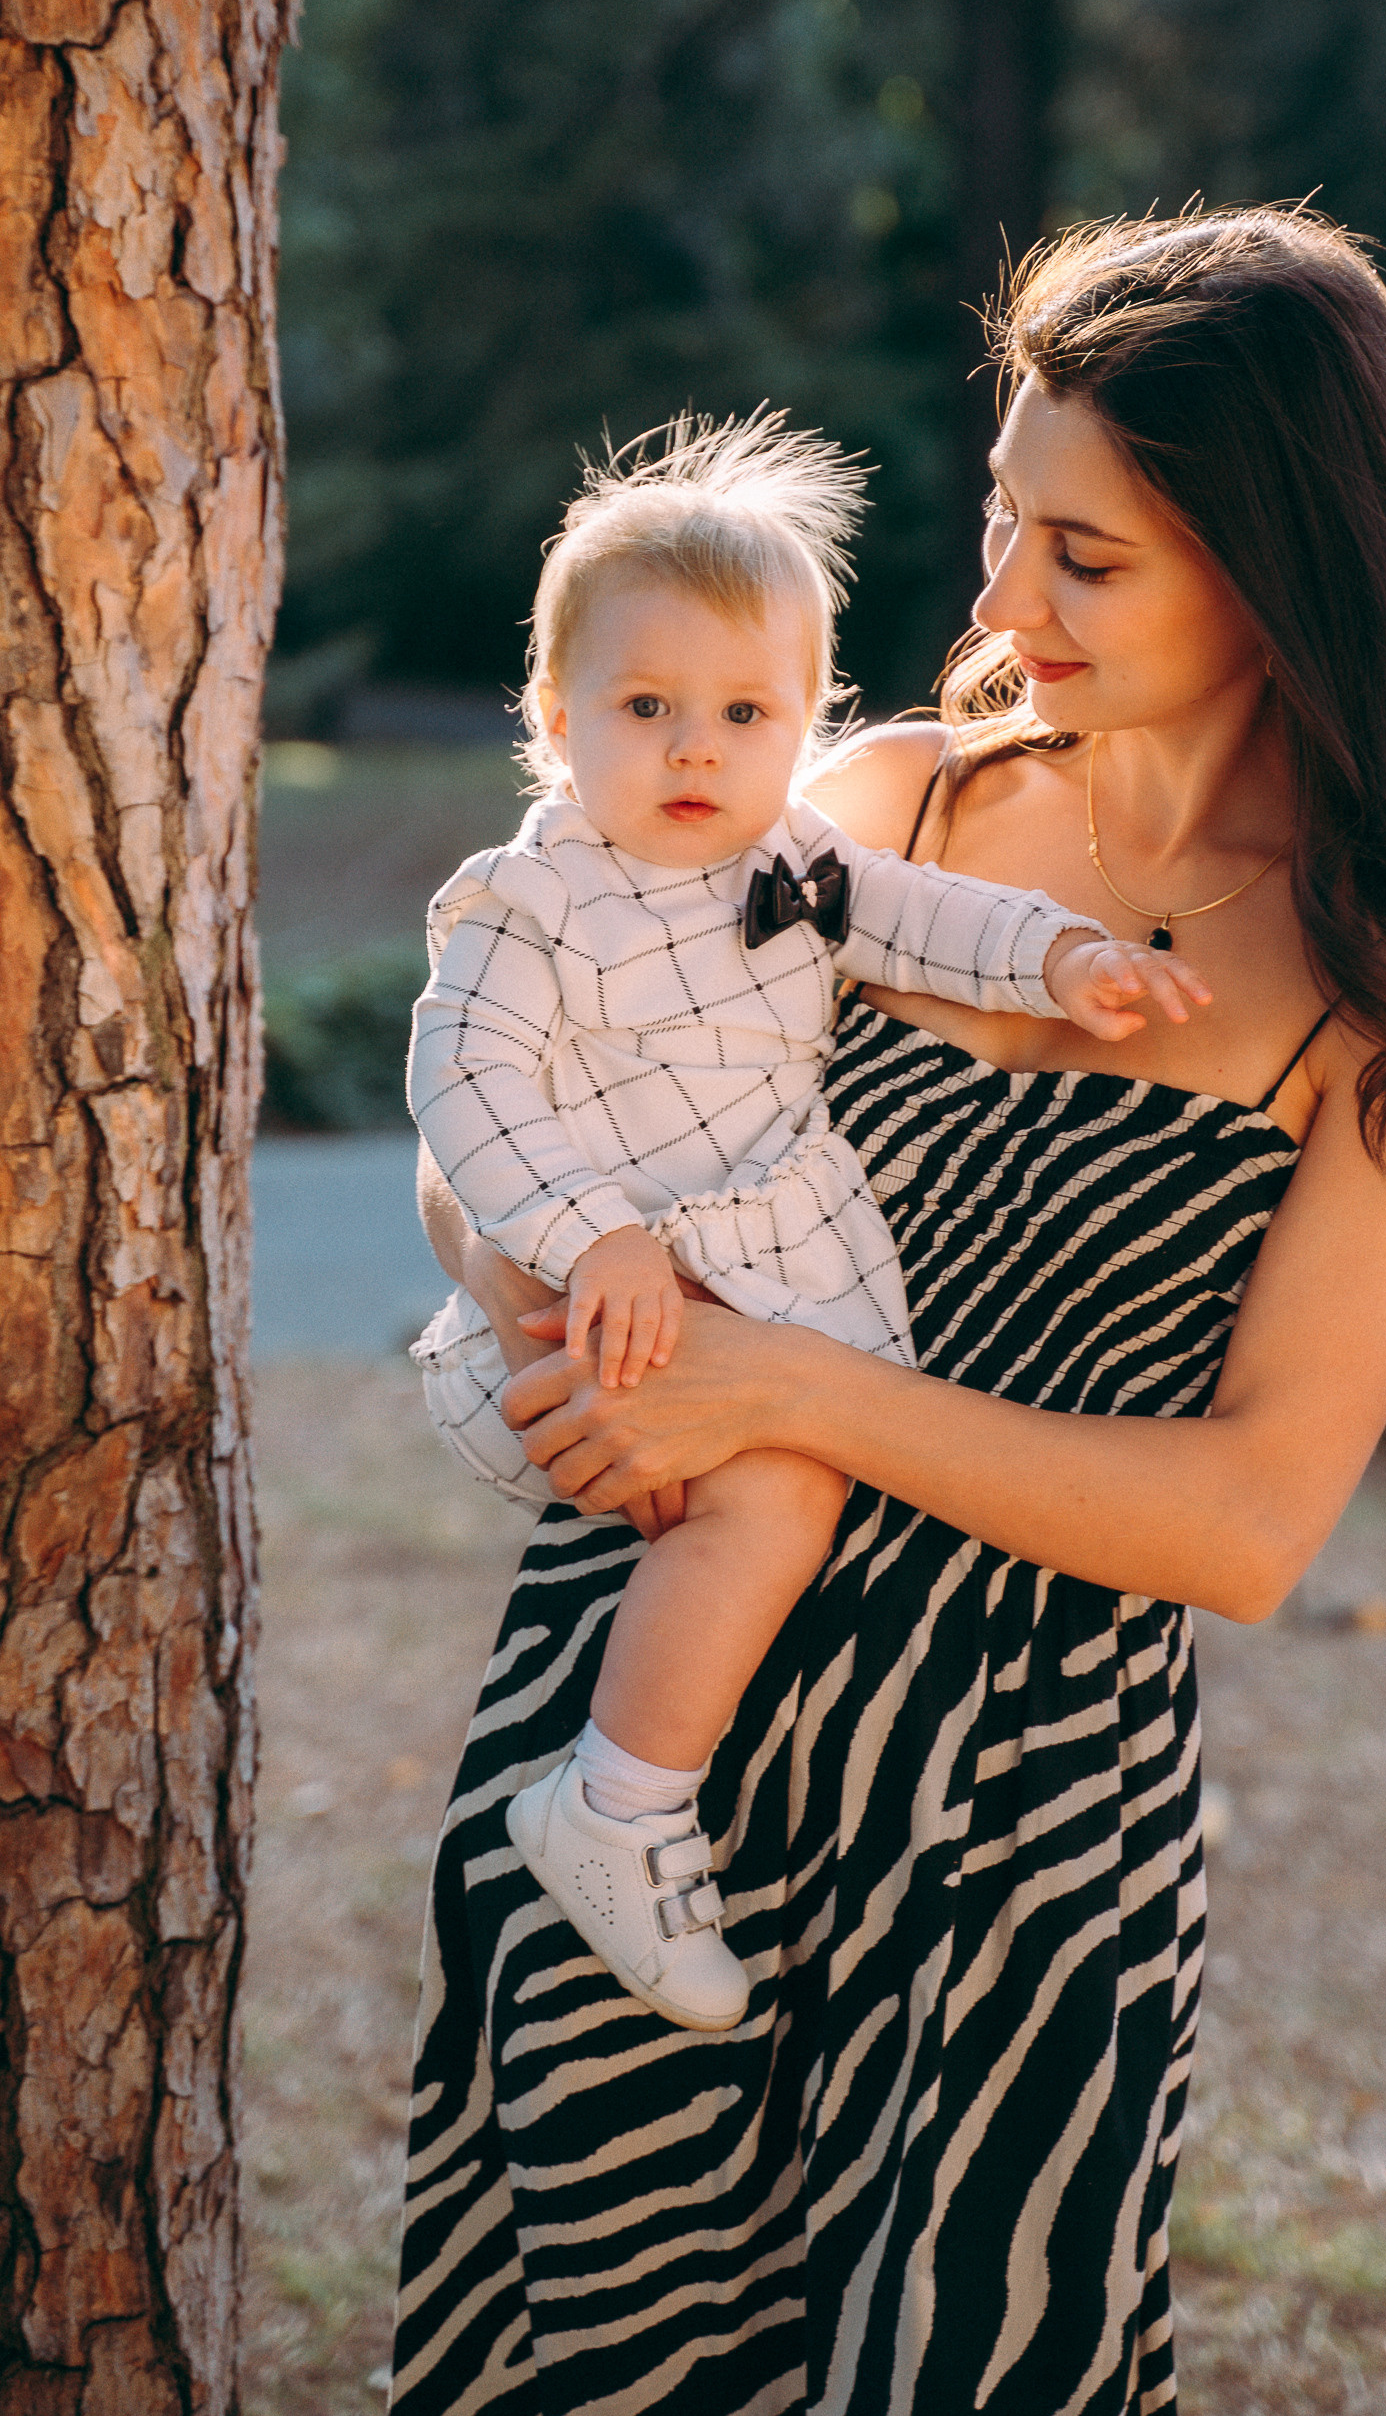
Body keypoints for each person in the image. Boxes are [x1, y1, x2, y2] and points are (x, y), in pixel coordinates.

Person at [379, 206, 1386, 2416]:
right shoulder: (873, 814)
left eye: (1088, 556)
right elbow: (518, 1145)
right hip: (636, 1748)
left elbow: (1252, 1527)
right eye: (997, 523)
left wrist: (789, 1391)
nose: (1009, 600)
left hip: (1010, 1847)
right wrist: (550, 1305)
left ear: (1272, 571)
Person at [406, 418, 1206, 2029]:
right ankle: (619, 1806)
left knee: (783, 1483)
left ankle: (664, 1779)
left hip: (765, 1286)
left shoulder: (797, 853)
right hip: (614, 1305)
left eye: (743, 714)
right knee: (773, 1498)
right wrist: (577, 1242)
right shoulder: (530, 896)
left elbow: (927, 917)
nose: (695, 752)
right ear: (557, 724)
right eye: (646, 711)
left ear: (805, 724)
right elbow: (460, 1088)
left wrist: (1063, 960)